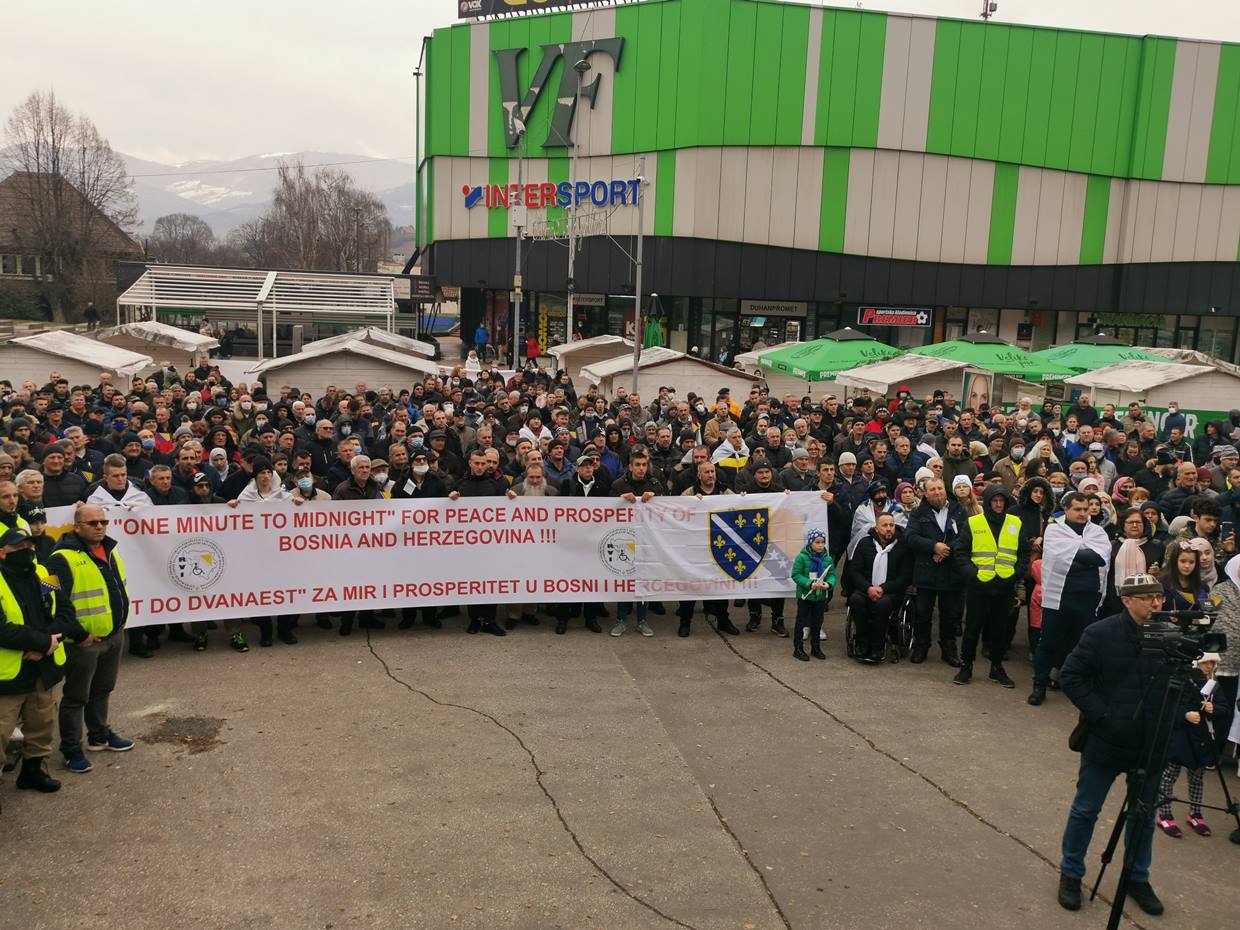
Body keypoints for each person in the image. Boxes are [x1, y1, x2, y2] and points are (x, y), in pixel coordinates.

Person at [1055, 573, 1169, 917]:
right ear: (1127, 600)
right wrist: (1103, 716)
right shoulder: (1100, 633)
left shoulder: (1166, 635)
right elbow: (1071, 677)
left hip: (1149, 743)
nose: (1155, 603)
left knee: (1143, 816)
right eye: (1147, 597)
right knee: (1086, 809)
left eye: (1159, 597)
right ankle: (1071, 873)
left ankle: (1137, 877)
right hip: (1105, 741)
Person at [48, 503, 135, 774]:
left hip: (112, 635)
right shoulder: (59, 559)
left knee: (102, 690)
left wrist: (119, 625)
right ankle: (71, 749)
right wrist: (78, 633)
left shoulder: (110, 550)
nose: (100, 527)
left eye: (103, 522)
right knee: (76, 697)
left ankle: (99, 735)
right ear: (77, 527)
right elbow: (50, 600)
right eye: (93, 523)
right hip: (84, 643)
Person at [0, 526, 69, 804]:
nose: (26, 552)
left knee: (41, 725)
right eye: (19, 548)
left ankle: (32, 772)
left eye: (29, 547)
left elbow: (66, 610)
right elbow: (2, 629)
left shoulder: (44, 574)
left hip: (44, 667)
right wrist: (42, 642)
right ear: (3, 552)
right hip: (9, 676)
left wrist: (48, 644)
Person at [1028, 493, 1111, 706]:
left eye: (1086, 509)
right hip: (1060, 596)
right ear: (1067, 510)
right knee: (1048, 642)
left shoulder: (1097, 532)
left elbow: (1100, 558)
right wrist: (1084, 559)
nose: (1083, 513)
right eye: (1078, 509)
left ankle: (1076, 684)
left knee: (1082, 643)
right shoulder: (1055, 530)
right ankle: (1039, 685)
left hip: (1088, 597)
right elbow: (1056, 558)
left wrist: (1073, 557)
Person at [951, 484, 1031, 688]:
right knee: (972, 628)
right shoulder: (974, 522)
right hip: (979, 585)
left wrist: (1016, 573)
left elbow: (1024, 553)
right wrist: (972, 573)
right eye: (994, 501)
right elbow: (960, 552)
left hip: (1004, 585)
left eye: (1001, 501)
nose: (998, 504)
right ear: (987, 503)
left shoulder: (1015, 523)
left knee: (999, 629)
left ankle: (996, 668)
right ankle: (966, 666)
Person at [1156, 653, 1219, 838]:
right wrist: (1185, 715)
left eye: (1213, 663)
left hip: (1200, 740)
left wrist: (1214, 709)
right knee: (1169, 776)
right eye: (1206, 662)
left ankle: (1196, 813)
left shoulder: (1214, 686)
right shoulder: (1183, 681)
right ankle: (1165, 813)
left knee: (1197, 778)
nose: (1209, 666)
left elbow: (1224, 707)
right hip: (1180, 738)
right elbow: (1169, 706)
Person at [904, 478, 963, 666]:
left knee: (950, 614)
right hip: (926, 571)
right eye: (933, 490)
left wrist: (946, 550)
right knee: (923, 612)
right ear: (925, 494)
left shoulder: (959, 511)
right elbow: (910, 537)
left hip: (951, 571)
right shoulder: (918, 512)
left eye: (940, 488)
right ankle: (921, 646)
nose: (937, 492)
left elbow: (965, 537)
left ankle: (949, 649)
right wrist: (933, 546)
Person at [845, 512, 912, 665]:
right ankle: (862, 642)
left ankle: (877, 645)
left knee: (884, 604)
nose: (889, 528)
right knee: (855, 600)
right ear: (876, 528)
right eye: (885, 525)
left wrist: (883, 589)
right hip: (866, 589)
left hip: (891, 592)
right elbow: (854, 571)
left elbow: (906, 576)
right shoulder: (864, 544)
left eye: (891, 525)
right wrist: (868, 588)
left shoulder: (903, 547)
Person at [790, 529, 835, 662]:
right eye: (817, 542)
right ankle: (798, 648)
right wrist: (809, 584)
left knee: (817, 622)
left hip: (820, 596)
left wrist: (829, 584)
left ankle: (816, 647)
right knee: (801, 621)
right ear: (810, 543)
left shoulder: (827, 559)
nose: (820, 545)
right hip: (805, 596)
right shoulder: (802, 557)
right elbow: (796, 575)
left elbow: (832, 574)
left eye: (822, 542)